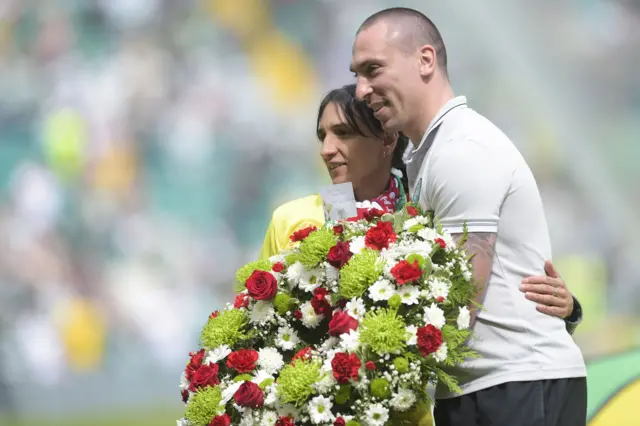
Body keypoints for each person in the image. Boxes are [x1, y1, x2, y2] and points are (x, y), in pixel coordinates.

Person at [258, 84, 583, 425]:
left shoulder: (429, 216)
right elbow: (257, 328)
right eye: (322, 135)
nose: (327, 149)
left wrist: (567, 311)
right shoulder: (291, 221)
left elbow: (482, 299)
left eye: (343, 134)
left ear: (388, 140)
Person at [351, 7, 587, 426]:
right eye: (357, 74)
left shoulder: (463, 148)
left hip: (517, 382)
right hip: (482, 385)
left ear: (425, 60)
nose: (361, 90)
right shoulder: (429, 152)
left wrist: (359, 355)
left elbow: (462, 299)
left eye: (373, 70)